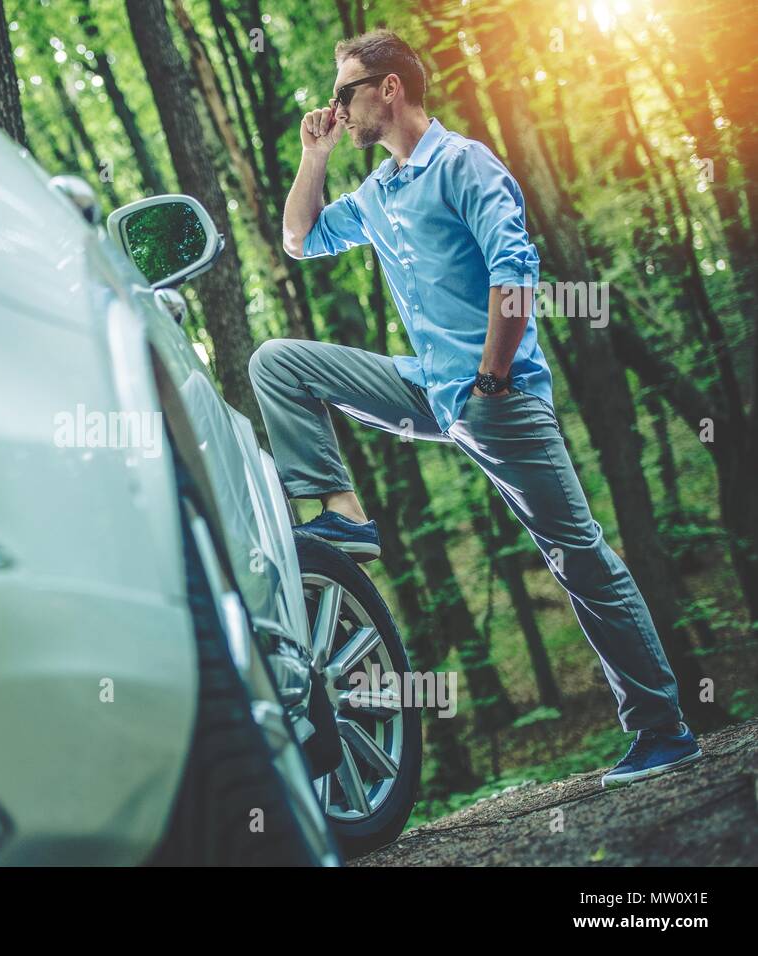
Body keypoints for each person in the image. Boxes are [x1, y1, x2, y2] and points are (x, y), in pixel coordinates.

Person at [249, 29, 700, 788]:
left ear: (389, 89)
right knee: (279, 363)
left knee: (579, 557)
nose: (337, 108)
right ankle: (343, 512)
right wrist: (314, 157)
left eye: (345, 93)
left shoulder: (463, 165)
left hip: (498, 401)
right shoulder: (379, 192)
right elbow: (298, 241)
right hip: (427, 388)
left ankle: (664, 729)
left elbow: (515, 274)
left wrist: (491, 381)